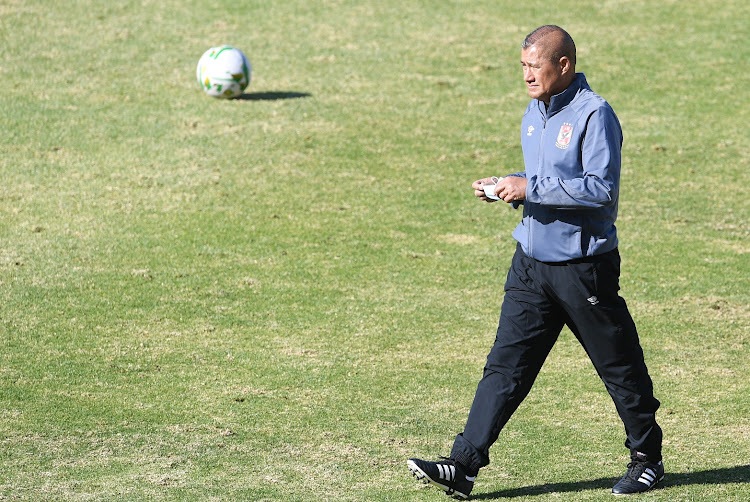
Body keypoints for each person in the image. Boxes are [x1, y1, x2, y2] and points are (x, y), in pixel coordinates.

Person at [407, 25, 664, 499]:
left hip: (583, 269)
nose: (526, 75)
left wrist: (532, 188)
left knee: (619, 367)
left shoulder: (595, 114)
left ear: (562, 65)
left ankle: (647, 458)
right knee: (505, 367)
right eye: (522, 66)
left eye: (533, 66)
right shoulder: (533, 112)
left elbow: (600, 189)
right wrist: (510, 184)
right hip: (530, 265)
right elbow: (545, 179)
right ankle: (462, 466)